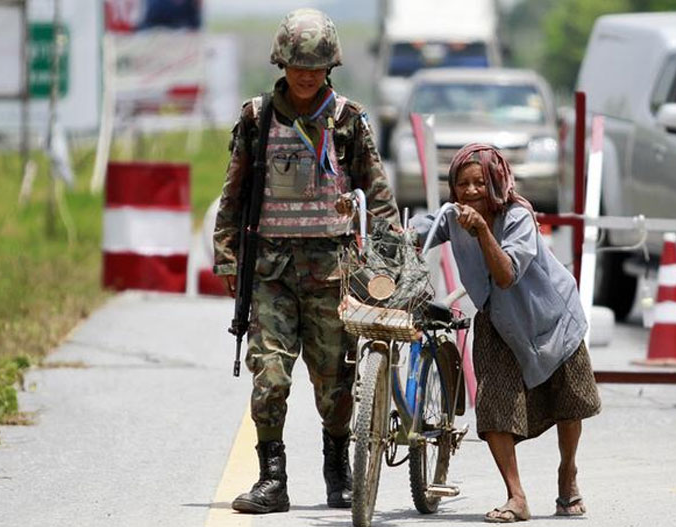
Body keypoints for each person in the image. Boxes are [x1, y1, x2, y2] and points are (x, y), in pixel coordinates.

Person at [212, 8, 400, 514]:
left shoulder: (347, 121)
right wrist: (228, 258)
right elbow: (233, 197)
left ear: (330, 68)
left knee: (335, 385)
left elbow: (378, 199)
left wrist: (388, 263)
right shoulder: (256, 120)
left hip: (331, 271)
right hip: (270, 273)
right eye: (298, 64)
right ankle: (272, 480)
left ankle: (338, 474)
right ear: (281, 63)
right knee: (269, 377)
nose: (306, 75)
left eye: (316, 66)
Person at [410, 143, 601, 523]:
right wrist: (401, 232)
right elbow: (424, 228)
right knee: (495, 405)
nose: (470, 191)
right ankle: (516, 496)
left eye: (480, 182)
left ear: (497, 182)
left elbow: (506, 275)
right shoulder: (454, 217)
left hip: (548, 318)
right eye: (461, 183)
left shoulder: (518, 217)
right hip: (497, 320)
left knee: (569, 401)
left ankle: (567, 473)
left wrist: (482, 231)